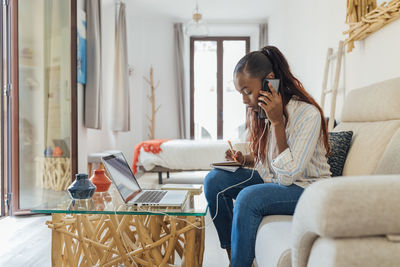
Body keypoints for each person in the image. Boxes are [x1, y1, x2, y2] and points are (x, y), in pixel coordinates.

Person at [204, 46, 332, 267]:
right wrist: (245, 159)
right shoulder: (262, 112)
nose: (245, 100)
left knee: (248, 198)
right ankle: (234, 253)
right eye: (240, 93)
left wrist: (277, 123)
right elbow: (269, 161)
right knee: (214, 180)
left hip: (306, 188)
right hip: (273, 179)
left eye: (247, 91)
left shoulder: (307, 114)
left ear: (269, 81)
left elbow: (288, 177)